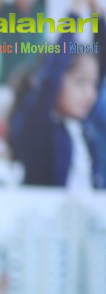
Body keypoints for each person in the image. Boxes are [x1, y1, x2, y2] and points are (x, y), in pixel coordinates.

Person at [10, 36, 104, 188]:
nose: (90, 94)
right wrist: (73, 18)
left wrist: (99, 18)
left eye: (94, 84)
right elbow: (50, 80)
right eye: (81, 82)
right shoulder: (39, 127)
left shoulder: (82, 131)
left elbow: (102, 58)